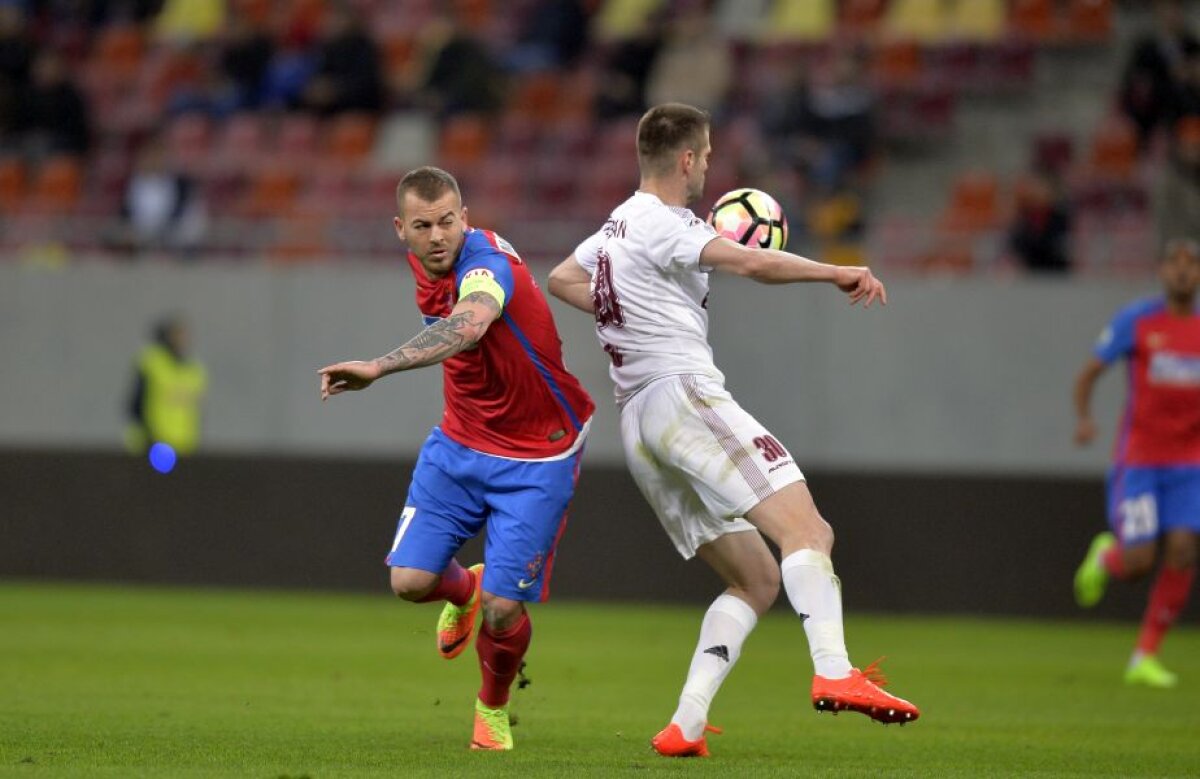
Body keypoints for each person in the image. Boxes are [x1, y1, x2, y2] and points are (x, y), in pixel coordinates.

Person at [547, 103, 918, 758]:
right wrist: (837, 269)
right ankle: (834, 667)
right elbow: (751, 264)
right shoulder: (662, 223)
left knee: (755, 578)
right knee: (808, 531)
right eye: (709, 154)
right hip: (684, 397)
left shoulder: (614, 228)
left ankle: (686, 723)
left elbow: (561, 278)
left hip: (638, 426)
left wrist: (624, 306)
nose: (710, 165)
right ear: (688, 159)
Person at [318, 166, 594, 750]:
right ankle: (462, 591)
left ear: (465, 218)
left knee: (502, 608)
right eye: (424, 225)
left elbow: (468, 325)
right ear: (401, 230)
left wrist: (379, 366)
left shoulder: (486, 263)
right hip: (461, 441)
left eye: (449, 221)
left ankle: (491, 710)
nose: (439, 235)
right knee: (410, 582)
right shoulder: (424, 259)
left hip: (538, 453)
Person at [1072, 238, 1200, 689]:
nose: (1183, 272)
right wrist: (1085, 419)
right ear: (1163, 272)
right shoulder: (1138, 321)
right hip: (1141, 461)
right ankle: (1107, 558)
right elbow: (1089, 373)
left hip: (1191, 463)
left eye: (1192, 264)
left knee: (1185, 548)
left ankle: (1145, 654)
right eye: (1175, 264)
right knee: (1140, 560)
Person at [125, 316, 207, 456]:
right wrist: (147, 436)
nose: (182, 339)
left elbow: (198, 411)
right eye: (177, 334)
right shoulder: (151, 363)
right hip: (152, 444)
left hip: (185, 446)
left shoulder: (194, 371)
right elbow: (135, 404)